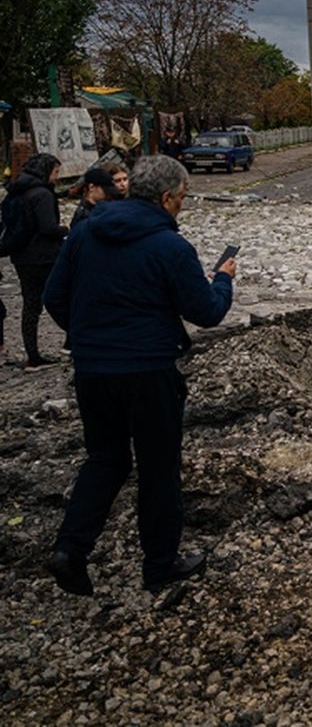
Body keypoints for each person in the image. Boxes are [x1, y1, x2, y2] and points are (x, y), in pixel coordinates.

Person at [41, 155, 236, 596]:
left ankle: (69, 551)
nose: (183, 206)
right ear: (167, 198)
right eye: (182, 198)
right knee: (158, 468)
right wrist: (223, 280)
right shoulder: (170, 247)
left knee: (104, 460)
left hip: (92, 369)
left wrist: (89, 335)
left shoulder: (86, 232)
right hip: (148, 369)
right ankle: (160, 565)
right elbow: (206, 312)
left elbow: (56, 296)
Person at [5, 153, 69, 369]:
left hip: (22, 256)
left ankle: (32, 355)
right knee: (65, 297)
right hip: (44, 257)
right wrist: (65, 229)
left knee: (30, 306)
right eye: (56, 172)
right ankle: (73, 344)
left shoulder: (18, 190)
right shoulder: (42, 194)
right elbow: (48, 228)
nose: (57, 177)